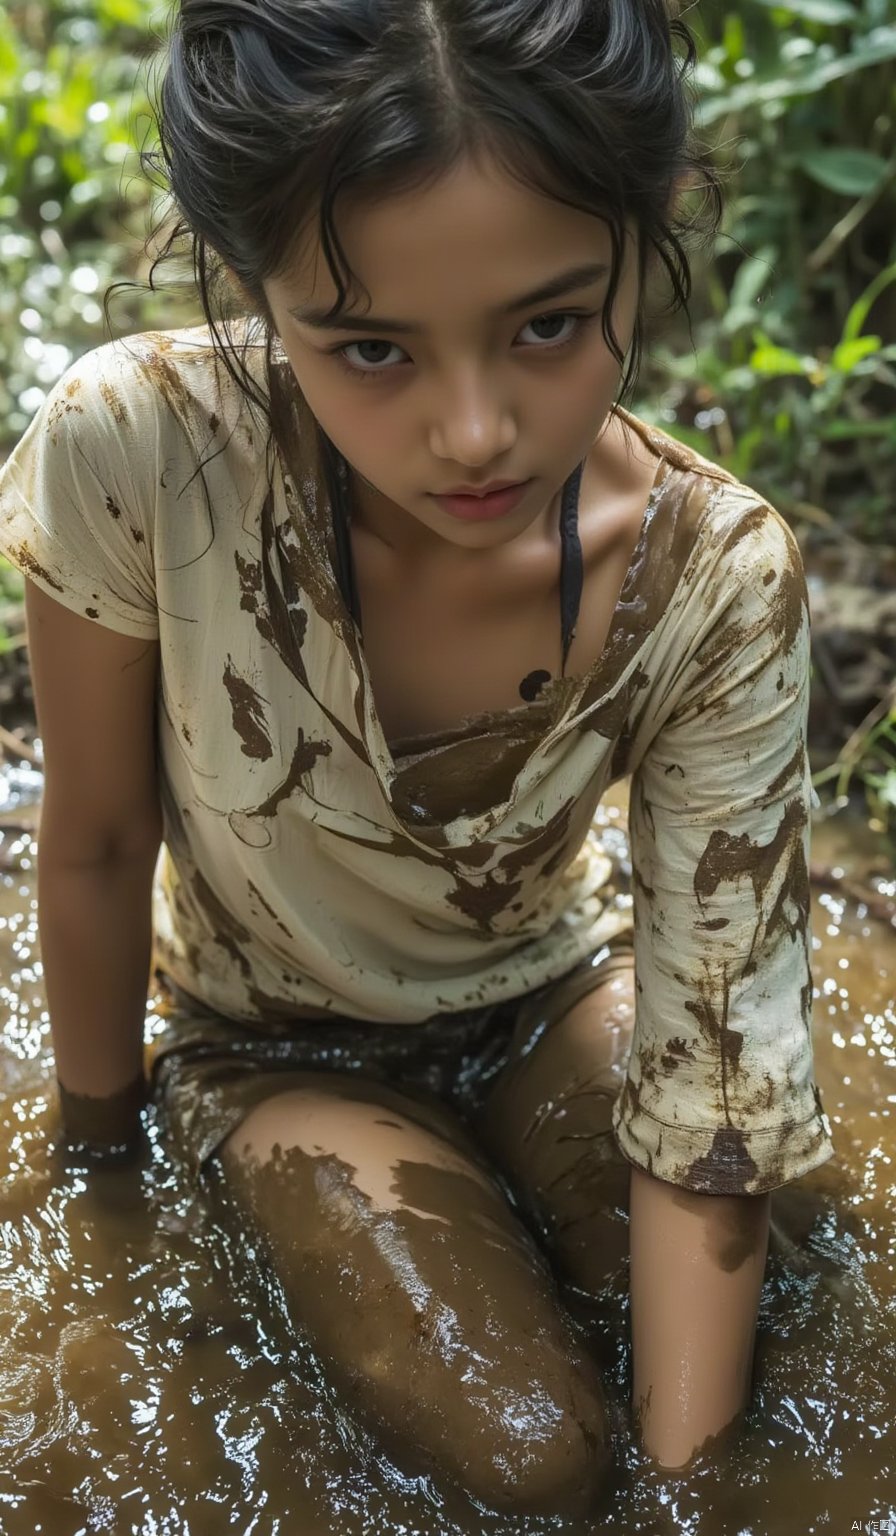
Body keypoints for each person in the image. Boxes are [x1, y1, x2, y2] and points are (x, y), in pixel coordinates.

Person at [0, 0, 836, 1518]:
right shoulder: (139, 451)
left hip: (547, 991)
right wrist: (94, 1172)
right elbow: (101, 839)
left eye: (549, 325)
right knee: (529, 1452)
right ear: (254, 284)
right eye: (370, 344)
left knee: (752, 1331)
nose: (473, 433)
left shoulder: (713, 577)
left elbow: (712, 1092)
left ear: (643, 253)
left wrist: (694, 1497)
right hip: (270, 1044)